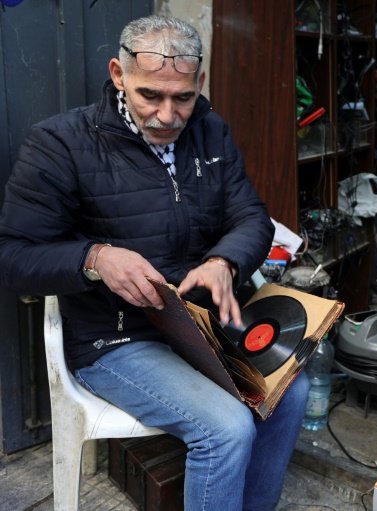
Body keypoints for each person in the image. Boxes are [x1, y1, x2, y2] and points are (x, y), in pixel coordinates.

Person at [0, 14, 308, 511]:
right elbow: (13, 257)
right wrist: (94, 257)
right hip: (117, 337)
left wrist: (225, 261)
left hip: (202, 324)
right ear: (119, 76)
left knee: (291, 389)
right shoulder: (60, 142)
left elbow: (252, 216)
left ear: (199, 83)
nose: (167, 115)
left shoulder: (211, 131)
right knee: (226, 427)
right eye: (150, 96)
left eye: (182, 98)